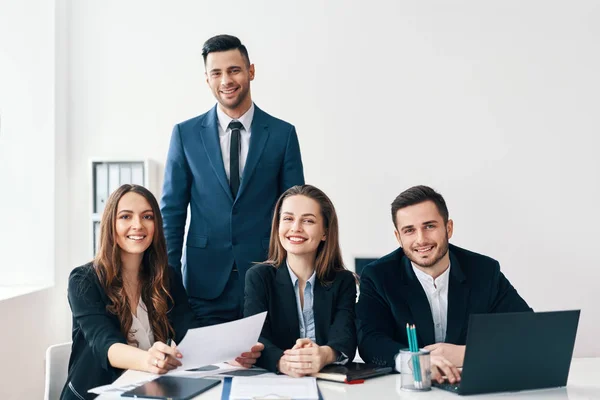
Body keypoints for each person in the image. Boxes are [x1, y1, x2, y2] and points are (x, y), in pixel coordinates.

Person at [61, 185, 262, 400]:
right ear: (111, 224)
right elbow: (105, 344)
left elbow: (188, 331)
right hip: (95, 394)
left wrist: (229, 354)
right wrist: (150, 359)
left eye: (147, 216)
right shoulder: (84, 280)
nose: (138, 225)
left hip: (147, 390)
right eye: (125, 217)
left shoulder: (167, 276)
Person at [161, 34, 304, 327]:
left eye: (234, 70)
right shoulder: (185, 135)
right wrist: (168, 281)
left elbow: (296, 213)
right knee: (205, 369)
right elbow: (172, 214)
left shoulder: (282, 134)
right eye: (216, 73)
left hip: (267, 279)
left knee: (268, 367)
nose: (226, 80)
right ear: (207, 79)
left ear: (250, 71)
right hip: (203, 285)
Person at [356, 185, 532, 384]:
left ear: (448, 228)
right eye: (409, 230)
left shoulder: (484, 271)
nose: (421, 239)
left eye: (429, 226)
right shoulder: (378, 276)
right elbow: (369, 340)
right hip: (407, 389)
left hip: (471, 387)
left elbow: (527, 331)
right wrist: (415, 362)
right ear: (398, 237)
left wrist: (467, 353)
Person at [244, 185, 357, 376]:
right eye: (288, 218)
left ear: (325, 232)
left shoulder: (343, 280)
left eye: (308, 220)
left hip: (328, 380)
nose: (296, 228)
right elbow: (256, 337)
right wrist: (283, 362)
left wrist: (325, 354)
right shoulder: (259, 277)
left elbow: (345, 337)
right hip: (276, 382)